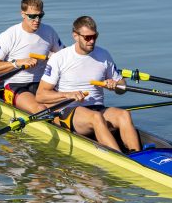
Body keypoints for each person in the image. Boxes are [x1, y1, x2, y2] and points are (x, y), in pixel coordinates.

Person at [36, 16, 140, 153]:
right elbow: (40, 96)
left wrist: (116, 85)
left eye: (94, 36)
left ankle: (138, 155)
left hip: (97, 108)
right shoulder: (59, 58)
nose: (92, 41)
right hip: (69, 111)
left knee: (124, 115)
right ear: (75, 36)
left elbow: (122, 87)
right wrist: (68, 95)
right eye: (87, 37)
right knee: (96, 118)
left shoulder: (104, 55)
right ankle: (121, 159)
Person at [0, 0, 64, 113]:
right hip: (16, 84)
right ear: (23, 14)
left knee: (64, 108)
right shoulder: (9, 36)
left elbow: (64, 55)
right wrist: (17, 63)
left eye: (40, 15)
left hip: (42, 85)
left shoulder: (49, 32)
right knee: (40, 109)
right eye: (32, 16)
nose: (37, 20)